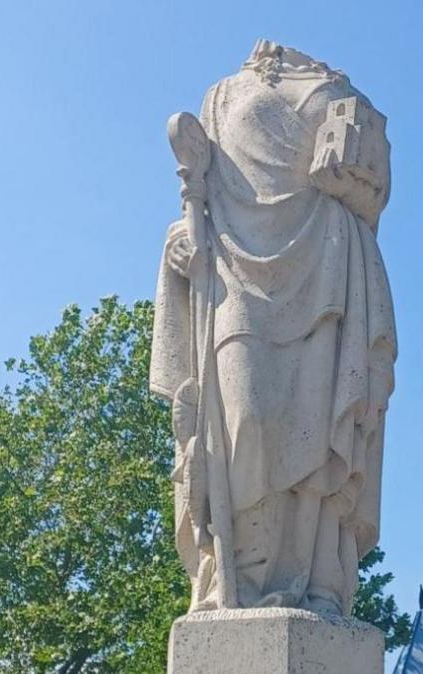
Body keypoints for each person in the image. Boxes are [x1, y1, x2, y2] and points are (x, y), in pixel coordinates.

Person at [151, 40, 397, 616]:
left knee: (316, 436)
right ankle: (233, 582)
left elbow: (372, 195)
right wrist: (179, 245)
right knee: (246, 424)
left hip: (325, 271)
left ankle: (314, 583)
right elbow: (198, 200)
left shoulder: (340, 91)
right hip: (236, 277)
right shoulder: (221, 95)